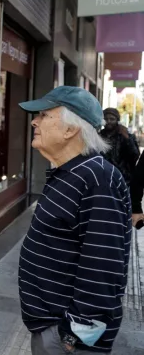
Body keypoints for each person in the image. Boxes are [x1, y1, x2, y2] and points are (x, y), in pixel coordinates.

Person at [18, 86, 131, 355]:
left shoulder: (98, 179)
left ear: (70, 130)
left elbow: (103, 269)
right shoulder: (71, 172)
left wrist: (72, 335)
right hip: (52, 329)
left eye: (45, 115)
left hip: (68, 339)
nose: (35, 121)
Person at [99, 107, 139, 184]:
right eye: (106, 119)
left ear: (117, 120)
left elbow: (134, 156)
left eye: (112, 119)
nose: (109, 121)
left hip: (122, 178)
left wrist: (127, 138)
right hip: (102, 176)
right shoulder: (99, 136)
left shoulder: (125, 136)